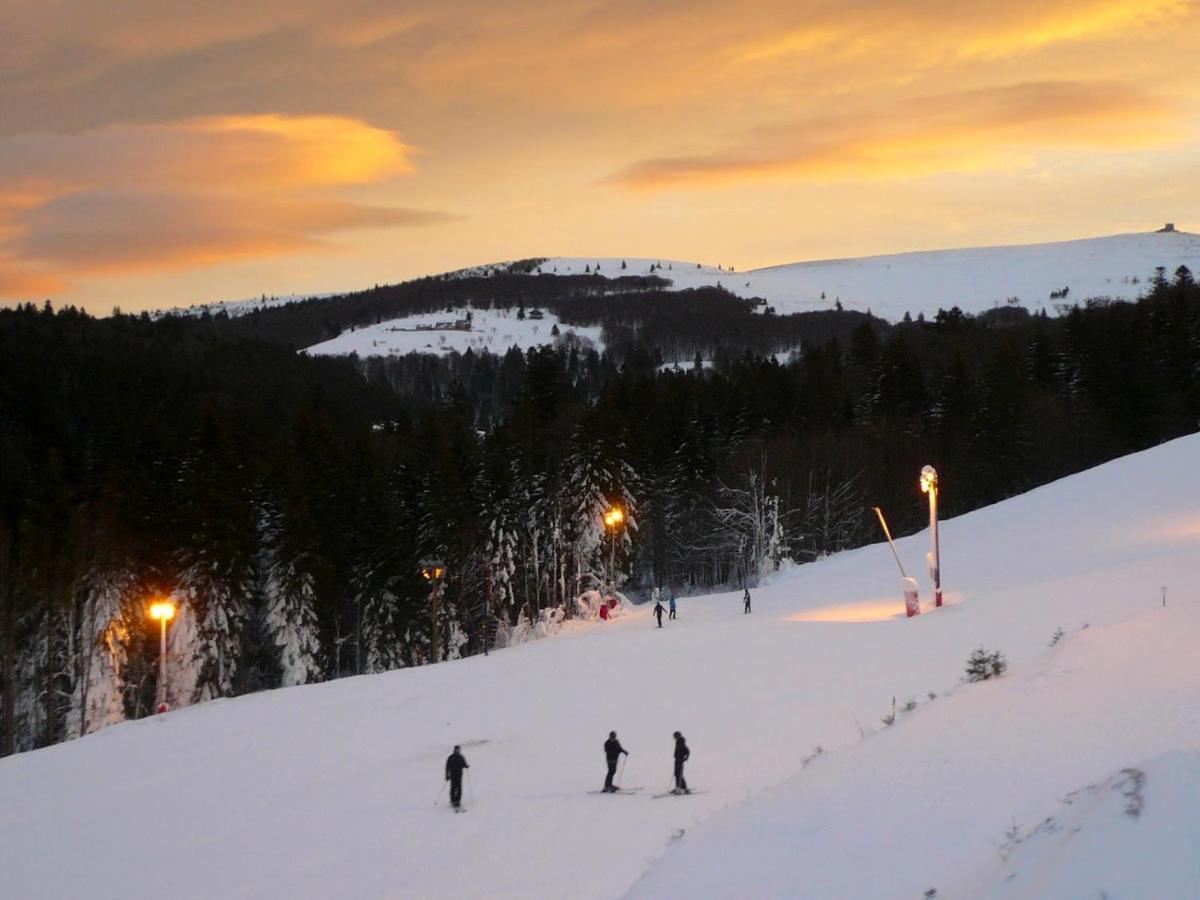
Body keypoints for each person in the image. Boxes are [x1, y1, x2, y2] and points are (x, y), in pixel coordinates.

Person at [445, 745, 469, 809]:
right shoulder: (451, 757)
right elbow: (447, 767)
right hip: (452, 775)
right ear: (454, 750)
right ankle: (453, 800)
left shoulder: (461, 757)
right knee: (453, 788)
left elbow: (463, 764)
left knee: (459, 788)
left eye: (459, 749)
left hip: (459, 775)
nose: (458, 750)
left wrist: (466, 766)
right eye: (457, 749)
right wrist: (447, 775)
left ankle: (458, 801)